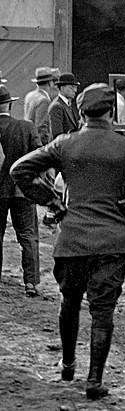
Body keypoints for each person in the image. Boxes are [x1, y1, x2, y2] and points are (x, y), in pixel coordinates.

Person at [10, 83, 125, 400]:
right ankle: (94, 380)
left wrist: (51, 201)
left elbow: (21, 170)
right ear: (111, 111)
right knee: (103, 312)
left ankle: (68, 364)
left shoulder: (64, 144)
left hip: (72, 239)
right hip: (113, 241)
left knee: (69, 303)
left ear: (81, 113)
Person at [0, 85, 41, 297]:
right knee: (28, 236)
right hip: (22, 191)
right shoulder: (26, 127)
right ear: (9, 105)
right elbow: (39, 156)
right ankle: (31, 283)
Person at [23, 66, 58, 145]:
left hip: (28, 140)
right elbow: (41, 128)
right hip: (37, 144)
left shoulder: (29, 95)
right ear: (50, 83)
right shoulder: (44, 100)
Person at [48, 73, 80, 139]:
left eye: (76, 87)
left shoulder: (67, 104)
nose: (75, 90)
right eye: (71, 87)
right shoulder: (57, 107)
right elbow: (57, 135)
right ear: (62, 88)